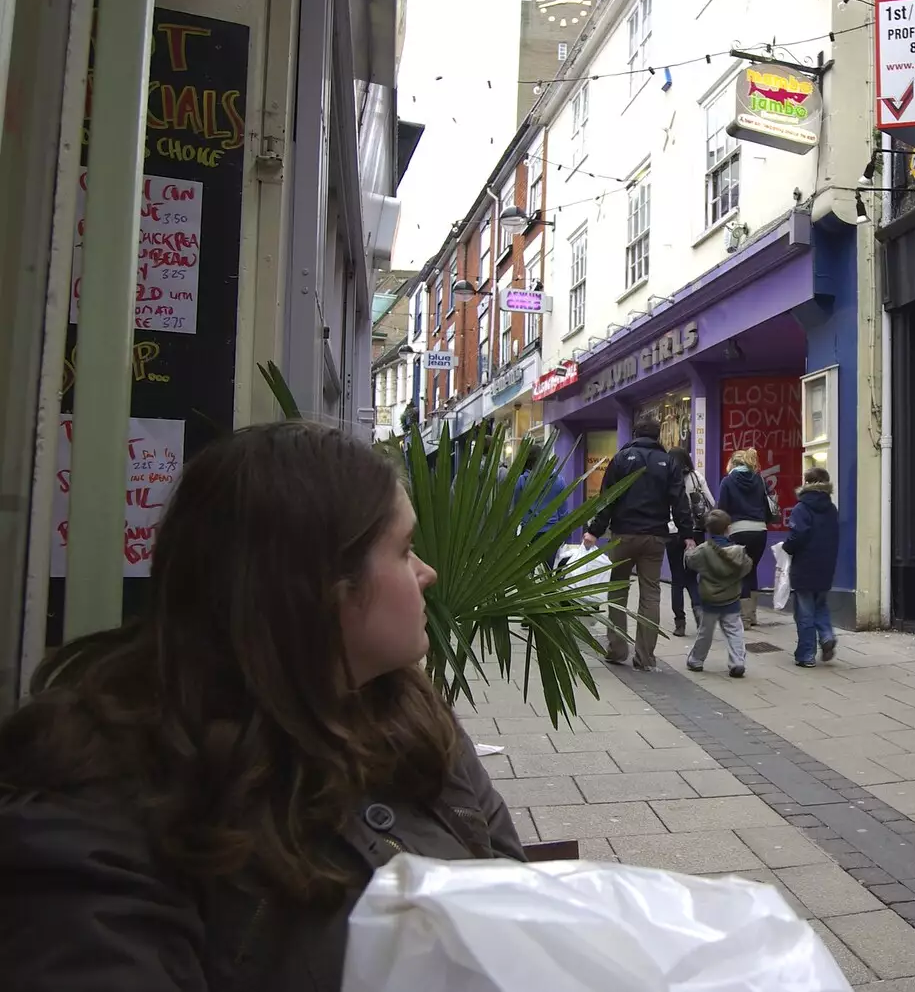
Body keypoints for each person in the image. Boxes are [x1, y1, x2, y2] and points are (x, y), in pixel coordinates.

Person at [0, 421, 524, 991]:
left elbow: (520, 912)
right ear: (319, 584)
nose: (428, 573)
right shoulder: (98, 804)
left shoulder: (411, 715)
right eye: (403, 550)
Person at [583, 416, 691, 671]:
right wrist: (687, 533)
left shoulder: (621, 459)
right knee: (650, 595)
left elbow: (607, 498)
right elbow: (680, 501)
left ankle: (617, 649)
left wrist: (594, 531)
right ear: (657, 437)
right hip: (655, 537)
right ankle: (645, 657)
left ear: (634, 434)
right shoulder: (669, 462)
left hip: (623, 535)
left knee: (618, 592)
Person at [781, 466, 842, 668]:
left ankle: (806, 655)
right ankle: (826, 635)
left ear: (807, 483)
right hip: (826, 564)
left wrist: (787, 547)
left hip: (805, 565)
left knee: (805, 612)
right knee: (821, 605)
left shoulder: (802, 508)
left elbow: (798, 535)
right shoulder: (832, 508)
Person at [684, 510, 753, 678]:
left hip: (710, 600)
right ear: (728, 529)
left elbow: (691, 561)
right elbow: (747, 566)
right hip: (732, 599)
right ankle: (737, 662)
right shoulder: (738, 551)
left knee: (705, 632)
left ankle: (696, 660)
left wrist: (688, 550)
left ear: (708, 530)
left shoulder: (703, 550)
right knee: (734, 631)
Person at [717, 447, 774, 629]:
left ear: (732, 463)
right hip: (759, 530)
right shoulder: (758, 479)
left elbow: (722, 509)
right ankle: (752, 615)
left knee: (740, 572)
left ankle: (744, 619)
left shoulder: (727, 481)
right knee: (752, 569)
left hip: (738, 530)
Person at [665, 447, 711, 637]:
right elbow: (710, 501)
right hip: (695, 532)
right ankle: (700, 615)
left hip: (672, 532)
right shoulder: (696, 477)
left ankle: (680, 624)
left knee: (677, 579)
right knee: (692, 577)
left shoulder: (665, 479)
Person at [512, 437, 569, 571]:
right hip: (552, 533)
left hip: (528, 534)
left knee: (529, 573)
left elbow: (516, 510)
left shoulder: (521, 482)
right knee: (550, 573)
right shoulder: (558, 480)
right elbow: (563, 512)